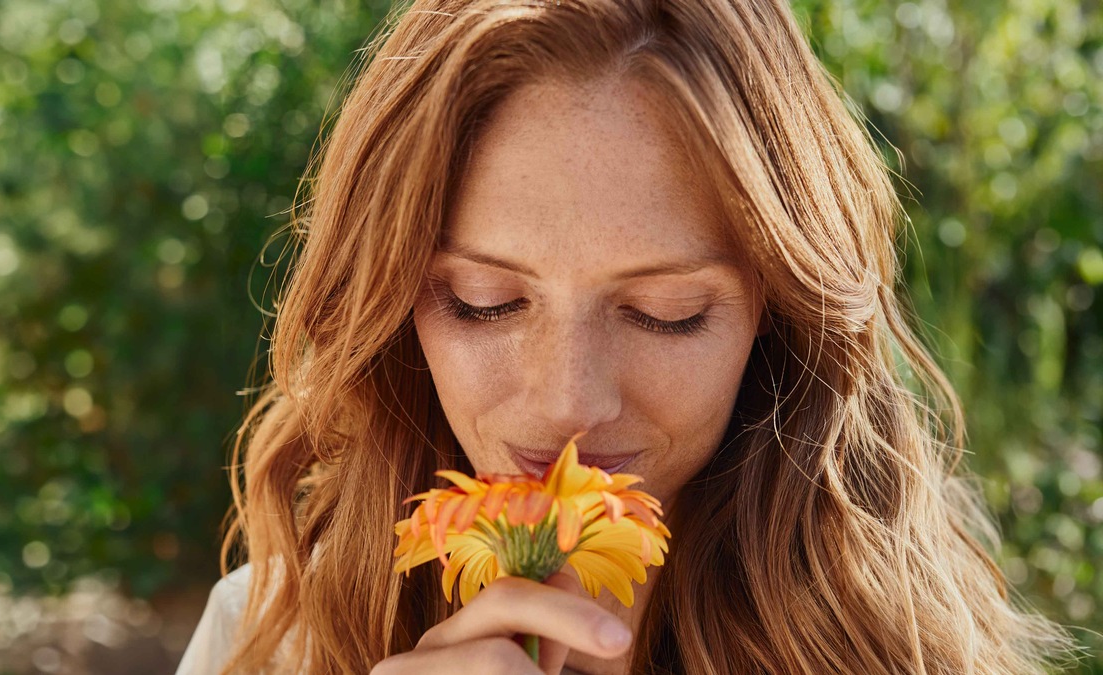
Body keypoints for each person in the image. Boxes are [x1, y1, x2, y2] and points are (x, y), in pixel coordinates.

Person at [176, 0, 1077, 673]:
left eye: (666, 313)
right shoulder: (259, 640)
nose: (568, 401)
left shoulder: (910, 649)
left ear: (780, 313)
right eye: (483, 302)